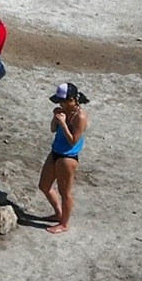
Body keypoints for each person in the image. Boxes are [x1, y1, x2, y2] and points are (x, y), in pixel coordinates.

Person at [38, 82, 90, 234]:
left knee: (65, 192)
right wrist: (56, 119)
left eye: (64, 101)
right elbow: (53, 129)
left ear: (73, 100)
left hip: (68, 157)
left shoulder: (80, 116)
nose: (61, 104)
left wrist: (63, 123)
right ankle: (59, 213)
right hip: (56, 151)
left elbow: (73, 140)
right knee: (44, 185)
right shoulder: (63, 111)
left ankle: (65, 224)